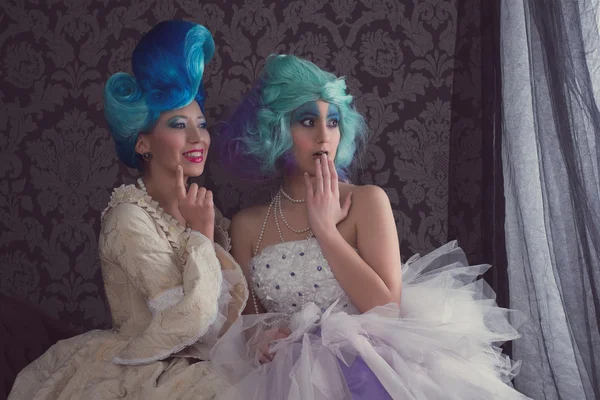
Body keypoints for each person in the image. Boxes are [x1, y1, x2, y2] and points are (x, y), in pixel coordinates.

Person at [210, 54, 531, 399]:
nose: (323, 136)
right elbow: (249, 324)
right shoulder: (247, 225)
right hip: (282, 381)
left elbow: (386, 309)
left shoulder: (366, 201)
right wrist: (260, 339)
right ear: (275, 129)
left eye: (333, 122)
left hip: (371, 369)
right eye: (307, 121)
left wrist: (327, 231)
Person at [8, 20, 247, 400]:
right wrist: (200, 237)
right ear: (142, 144)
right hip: (148, 367)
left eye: (201, 124)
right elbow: (187, 323)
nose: (197, 137)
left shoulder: (201, 209)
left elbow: (228, 313)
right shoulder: (128, 219)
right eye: (178, 125)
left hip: (205, 360)